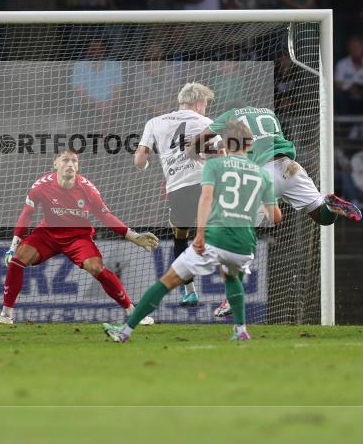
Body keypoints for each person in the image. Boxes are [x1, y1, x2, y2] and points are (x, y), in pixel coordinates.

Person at [103, 120, 281, 342]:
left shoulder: (215, 166)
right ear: (250, 144)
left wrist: (199, 234)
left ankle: (125, 332)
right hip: (245, 244)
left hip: (215, 239)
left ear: (226, 143)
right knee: (231, 274)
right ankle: (240, 329)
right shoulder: (262, 175)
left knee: (167, 281)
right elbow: (276, 217)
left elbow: (205, 199)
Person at [187, 102, 362, 318]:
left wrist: (195, 149)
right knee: (322, 217)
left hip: (262, 174)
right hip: (290, 167)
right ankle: (330, 204)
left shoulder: (229, 116)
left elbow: (200, 142)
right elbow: (256, 143)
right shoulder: (268, 112)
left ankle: (232, 297)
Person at [0, 147, 160, 325]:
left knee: (96, 268)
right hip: (48, 233)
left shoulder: (88, 189)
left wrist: (134, 237)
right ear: (55, 164)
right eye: (65, 160)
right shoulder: (41, 185)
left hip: (78, 237)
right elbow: (26, 214)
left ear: (77, 166)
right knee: (17, 259)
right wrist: (13, 246)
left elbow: (106, 216)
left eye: (74, 161)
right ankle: (6, 315)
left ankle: (134, 313)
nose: (70, 164)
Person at [134, 82, 216, 307]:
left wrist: (146, 165)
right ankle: (230, 290)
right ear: (199, 103)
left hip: (177, 189)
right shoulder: (207, 123)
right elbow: (221, 155)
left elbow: (140, 160)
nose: (206, 108)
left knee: (180, 236)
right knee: (218, 235)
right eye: (206, 104)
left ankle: (189, 291)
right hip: (204, 184)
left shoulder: (155, 122)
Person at [333, 35, 363, 115]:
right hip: (347, 95)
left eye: (358, 48)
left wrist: (360, 91)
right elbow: (337, 86)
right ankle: (345, 125)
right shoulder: (341, 64)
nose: (355, 50)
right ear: (349, 49)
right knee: (338, 96)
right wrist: (349, 90)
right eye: (353, 48)